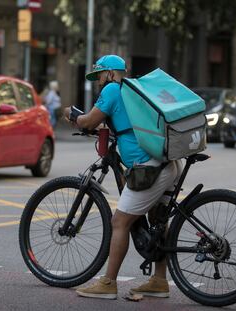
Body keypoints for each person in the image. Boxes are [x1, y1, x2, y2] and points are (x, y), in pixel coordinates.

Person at [64, 55, 182, 300]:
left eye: (99, 75)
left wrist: (73, 115)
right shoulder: (134, 91)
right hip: (168, 163)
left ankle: (108, 283)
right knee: (158, 219)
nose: (97, 81)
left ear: (109, 73)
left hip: (148, 169)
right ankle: (159, 281)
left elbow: (88, 120)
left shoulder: (112, 90)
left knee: (119, 222)